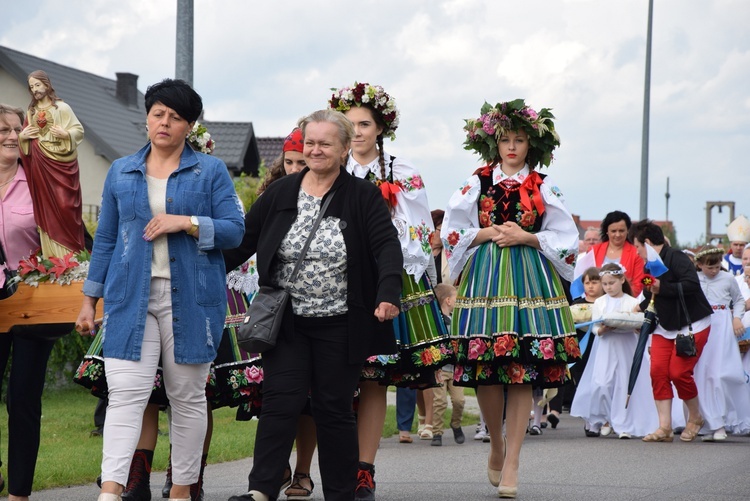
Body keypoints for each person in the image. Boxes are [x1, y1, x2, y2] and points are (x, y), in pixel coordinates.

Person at [74, 78, 244, 501]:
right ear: (147, 119)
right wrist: (87, 300)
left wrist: (186, 222)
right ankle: (110, 491)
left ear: (189, 125)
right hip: (130, 298)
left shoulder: (210, 170)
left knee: (186, 398)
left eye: (175, 116)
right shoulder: (121, 171)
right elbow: (107, 240)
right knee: (125, 396)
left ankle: (182, 490)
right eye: (158, 114)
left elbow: (235, 230)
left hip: (191, 298)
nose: (165, 122)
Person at [223, 109, 403, 501]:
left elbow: (386, 246)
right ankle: (261, 489)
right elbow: (243, 241)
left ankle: (341, 492)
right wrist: (198, 270)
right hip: (286, 321)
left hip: (341, 321)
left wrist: (388, 292)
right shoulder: (280, 194)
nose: (315, 150)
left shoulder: (362, 196)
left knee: (334, 408)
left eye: (325, 143)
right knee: (279, 403)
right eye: (310, 143)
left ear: (343, 150)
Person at [443, 99, 580, 498]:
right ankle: (497, 443)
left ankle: (514, 460)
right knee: (486, 364)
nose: (513, 146)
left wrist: (527, 236)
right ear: (494, 143)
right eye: (505, 139)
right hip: (486, 276)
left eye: (520, 139)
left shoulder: (543, 185)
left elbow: (567, 238)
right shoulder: (477, 182)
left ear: (531, 145)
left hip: (529, 278)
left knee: (522, 366)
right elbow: (453, 230)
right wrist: (487, 233)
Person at [329, 82, 449, 500]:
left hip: (383, 278)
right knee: (336, 380)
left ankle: (364, 469)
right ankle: (331, 469)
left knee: (375, 377)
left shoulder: (404, 172)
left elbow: (418, 233)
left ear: (381, 128)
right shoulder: (332, 168)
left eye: (365, 123)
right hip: (335, 281)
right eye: (350, 124)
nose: (357, 131)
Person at [0, 103, 68, 501]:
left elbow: (68, 236)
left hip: (33, 300)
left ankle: (20, 493)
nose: (11, 136)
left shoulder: (38, 182)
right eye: (3, 130)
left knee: (23, 399)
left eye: (16, 129)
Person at [630, 220, 713, 443]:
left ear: (646, 243)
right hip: (665, 325)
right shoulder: (649, 265)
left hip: (692, 323)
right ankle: (664, 427)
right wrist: (639, 306)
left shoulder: (676, 257)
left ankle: (695, 417)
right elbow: (652, 292)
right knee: (657, 371)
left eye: (637, 246)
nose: (636, 252)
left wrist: (661, 287)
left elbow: (692, 285)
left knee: (678, 373)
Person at [570, 263, 657, 439]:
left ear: (622, 280)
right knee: (602, 383)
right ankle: (605, 418)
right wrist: (601, 330)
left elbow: (638, 322)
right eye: (605, 284)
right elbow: (595, 326)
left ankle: (623, 423)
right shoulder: (600, 302)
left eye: (612, 283)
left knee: (623, 383)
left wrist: (637, 328)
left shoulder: (633, 302)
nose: (608, 287)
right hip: (606, 346)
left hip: (626, 347)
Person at [18, 70, 85, 258]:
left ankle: (71, 257)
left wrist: (67, 135)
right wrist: (22, 137)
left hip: (61, 162)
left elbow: (78, 130)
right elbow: (24, 137)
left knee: (65, 206)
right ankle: (52, 258)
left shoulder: (61, 108)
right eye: (32, 87)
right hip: (39, 161)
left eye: (38, 85)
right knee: (45, 206)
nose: (35, 90)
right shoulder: (31, 112)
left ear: (47, 85)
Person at [692, 247, 750, 440]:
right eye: (710, 267)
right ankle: (710, 424)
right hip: (702, 324)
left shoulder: (727, 279)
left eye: (717, 266)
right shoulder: (694, 279)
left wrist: (737, 318)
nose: (714, 271)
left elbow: (739, 300)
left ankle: (724, 420)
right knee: (702, 375)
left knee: (721, 374)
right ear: (699, 265)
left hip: (723, 326)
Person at [431, 283, 466, 446]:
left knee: (459, 401)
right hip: (440, 369)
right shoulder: (436, 322)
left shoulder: (456, 321)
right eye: (455, 298)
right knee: (440, 402)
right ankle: (436, 432)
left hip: (455, 369)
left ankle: (456, 424)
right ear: (448, 301)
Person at [589, 211, 646, 296]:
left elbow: (638, 284)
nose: (618, 234)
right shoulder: (593, 250)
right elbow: (586, 278)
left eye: (621, 231)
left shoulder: (636, 253)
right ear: (607, 231)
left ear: (628, 231)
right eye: (613, 231)